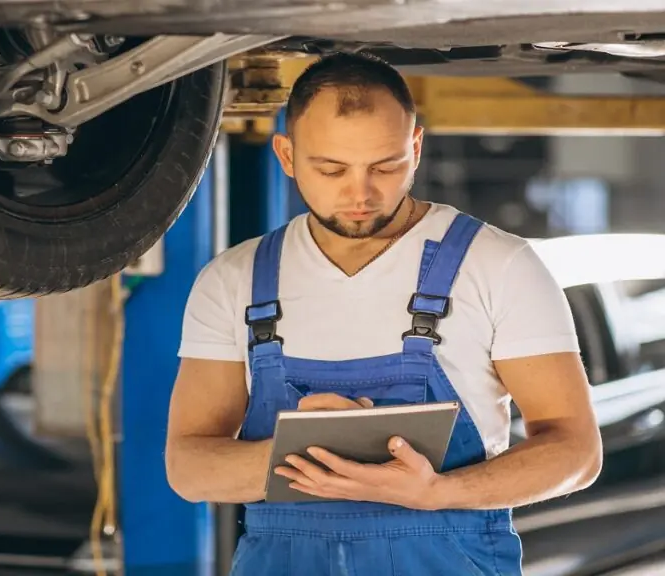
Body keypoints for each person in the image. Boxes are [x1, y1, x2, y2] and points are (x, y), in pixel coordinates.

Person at [163, 51, 603, 574]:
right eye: (330, 169)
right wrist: (309, 454)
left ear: (415, 148)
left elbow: (576, 451)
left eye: (385, 166)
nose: (360, 194)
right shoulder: (233, 280)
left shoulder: (499, 266)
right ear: (286, 155)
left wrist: (438, 491)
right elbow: (188, 468)